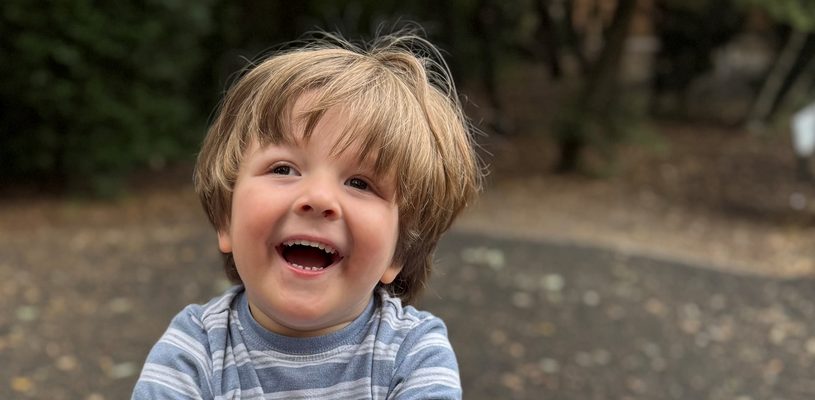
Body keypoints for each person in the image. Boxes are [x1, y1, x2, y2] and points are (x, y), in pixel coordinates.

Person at [131, 31, 482, 399]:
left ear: (399, 252)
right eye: (283, 169)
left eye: (361, 183)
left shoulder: (412, 354)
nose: (317, 198)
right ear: (225, 219)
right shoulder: (194, 350)